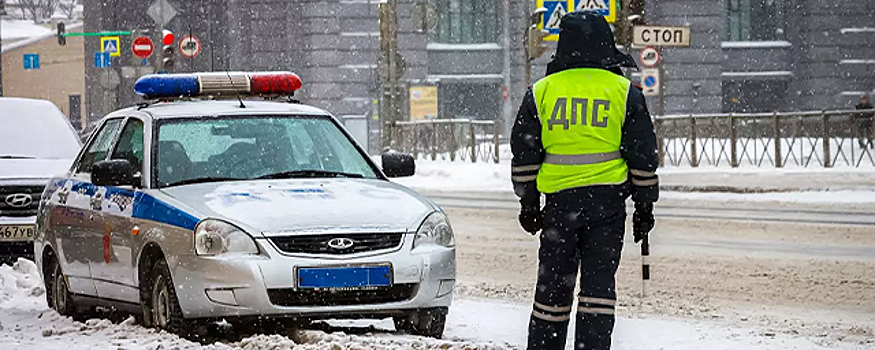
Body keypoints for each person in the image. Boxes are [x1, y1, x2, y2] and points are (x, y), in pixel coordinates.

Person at [510, 11, 659, 350]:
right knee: (598, 294)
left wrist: (528, 202)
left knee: (552, 294)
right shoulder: (624, 93)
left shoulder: (541, 92)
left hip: (559, 210)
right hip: (606, 210)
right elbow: (643, 155)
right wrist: (644, 206)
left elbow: (525, 154)